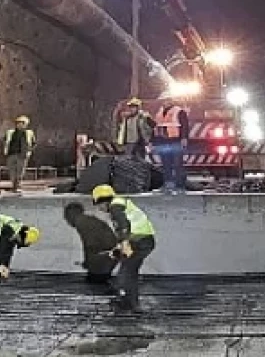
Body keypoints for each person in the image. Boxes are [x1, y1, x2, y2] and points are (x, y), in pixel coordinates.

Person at [91, 184, 156, 314]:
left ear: (101, 201)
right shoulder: (119, 203)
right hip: (142, 240)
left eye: (98, 206)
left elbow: (123, 225)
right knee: (127, 270)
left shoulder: (115, 207)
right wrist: (119, 248)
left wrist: (124, 244)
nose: (99, 209)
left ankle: (132, 305)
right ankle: (127, 301)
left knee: (128, 272)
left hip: (140, 241)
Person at [63, 202, 118, 290]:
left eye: (66, 217)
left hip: (104, 255)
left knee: (95, 284)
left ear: (71, 215)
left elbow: (90, 245)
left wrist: (88, 262)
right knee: (99, 282)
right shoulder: (87, 220)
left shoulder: (81, 223)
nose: (66, 220)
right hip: (109, 254)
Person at [153, 98, 190, 194]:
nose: (165, 102)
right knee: (166, 165)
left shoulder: (179, 111)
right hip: (163, 142)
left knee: (178, 165)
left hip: (176, 142)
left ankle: (179, 186)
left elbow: (185, 125)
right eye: (164, 100)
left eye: (167, 100)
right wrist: (154, 142)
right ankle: (167, 184)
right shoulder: (160, 113)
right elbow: (156, 128)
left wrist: (184, 138)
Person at [4, 115, 37, 192]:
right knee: (11, 170)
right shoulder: (10, 132)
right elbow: (5, 140)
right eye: (18, 123)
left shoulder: (29, 133)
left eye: (22, 123)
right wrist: (6, 149)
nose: (20, 124)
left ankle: (17, 185)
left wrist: (29, 151)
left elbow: (34, 143)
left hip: (22, 154)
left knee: (20, 171)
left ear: (26, 124)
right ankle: (14, 185)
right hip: (11, 154)